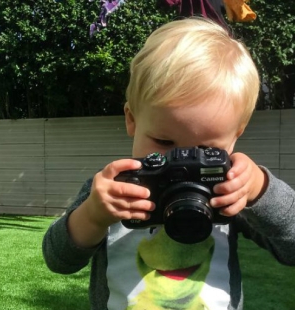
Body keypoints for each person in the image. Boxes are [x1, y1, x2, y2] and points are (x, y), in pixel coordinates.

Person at [42, 17, 295, 310]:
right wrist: (94, 216)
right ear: (132, 119)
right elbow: (57, 259)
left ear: (236, 135)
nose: (181, 162)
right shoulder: (116, 189)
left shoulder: (227, 189)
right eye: (164, 143)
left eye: (206, 151)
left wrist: (260, 190)